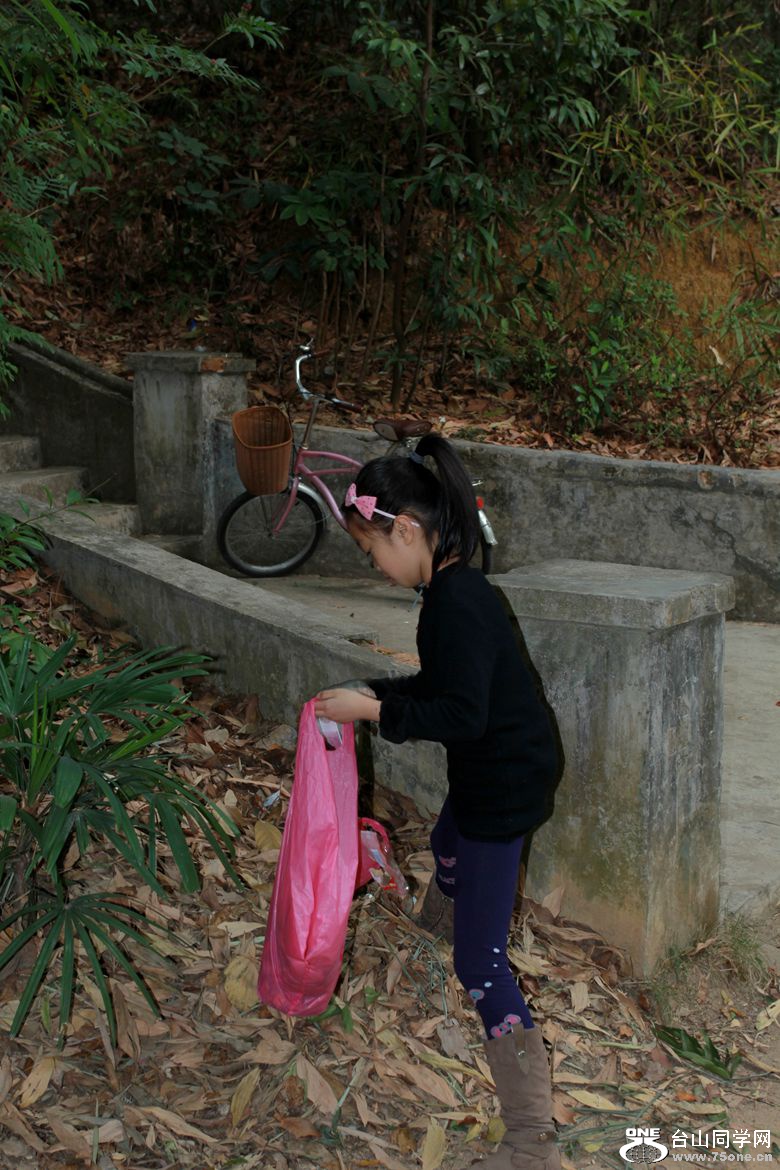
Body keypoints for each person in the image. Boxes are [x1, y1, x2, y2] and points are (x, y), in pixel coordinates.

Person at [314, 434, 562, 1170]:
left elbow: (462, 715)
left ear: (407, 530)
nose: (374, 567)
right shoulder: (451, 591)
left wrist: (372, 712)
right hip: (499, 770)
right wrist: (374, 690)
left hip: (502, 787)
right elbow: (442, 687)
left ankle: (531, 1141)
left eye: (371, 552)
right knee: (445, 843)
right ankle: (443, 911)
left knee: (480, 964)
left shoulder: (455, 604)